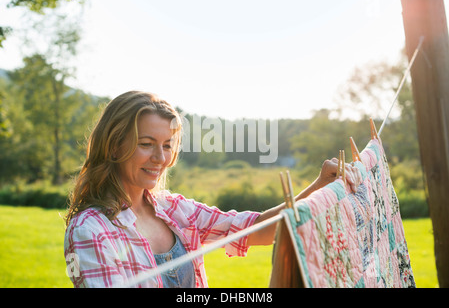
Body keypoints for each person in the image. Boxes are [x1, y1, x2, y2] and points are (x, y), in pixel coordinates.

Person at [64, 90, 361, 288]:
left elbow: (257, 229)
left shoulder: (175, 210)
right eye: (146, 144)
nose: (161, 158)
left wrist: (321, 185)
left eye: (167, 146)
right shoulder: (90, 229)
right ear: (115, 146)